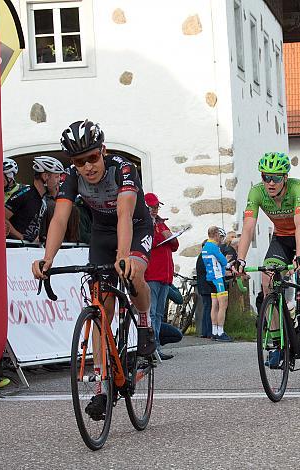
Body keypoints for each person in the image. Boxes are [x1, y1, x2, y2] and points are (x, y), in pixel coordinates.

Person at [32, 119, 155, 421]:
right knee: (101, 307)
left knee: (133, 272)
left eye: (92, 157)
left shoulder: (123, 168)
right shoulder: (71, 178)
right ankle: (101, 384)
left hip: (135, 227)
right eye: (78, 161)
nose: (87, 166)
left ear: (103, 150)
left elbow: (125, 214)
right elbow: (60, 219)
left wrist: (124, 256)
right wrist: (47, 259)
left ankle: (144, 322)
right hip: (102, 233)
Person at [234, 152, 300, 356]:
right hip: (281, 239)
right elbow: (248, 228)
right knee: (267, 282)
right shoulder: (256, 193)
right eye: (265, 177)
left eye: (275, 177)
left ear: (285, 178)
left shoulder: (297, 187)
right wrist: (240, 259)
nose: (270, 182)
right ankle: (277, 342)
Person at [144, 192, 179, 360]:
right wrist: (162, 236)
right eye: (152, 207)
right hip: (151, 274)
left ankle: (156, 345)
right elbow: (147, 243)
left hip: (164, 275)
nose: (155, 209)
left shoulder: (160, 223)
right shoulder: (144, 223)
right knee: (151, 313)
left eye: (156, 206)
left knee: (158, 314)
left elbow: (175, 245)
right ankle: (150, 347)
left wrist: (169, 238)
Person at [6, 158, 50, 242]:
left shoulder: (43, 199)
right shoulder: (24, 193)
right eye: (56, 176)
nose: (59, 180)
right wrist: (21, 237)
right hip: (15, 247)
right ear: (45, 176)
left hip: (30, 249)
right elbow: (2, 218)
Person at [202, 227, 232, 341]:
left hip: (209, 278)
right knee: (223, 306)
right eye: (219, 235)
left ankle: (214, 331)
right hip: (218, 278)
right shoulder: (214, 247)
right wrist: (227, 263)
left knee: (214, 305)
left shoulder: (205, 247)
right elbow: (224, 262)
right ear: (215, 235)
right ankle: (220, 332)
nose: (220, 238)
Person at [196, 240, 214, 339]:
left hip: (203, 286)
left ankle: (205, 331)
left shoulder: (201, 256)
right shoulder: (204, 256)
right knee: (209, 309)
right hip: (207, 286)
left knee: (207, 308)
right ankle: (209, 332)